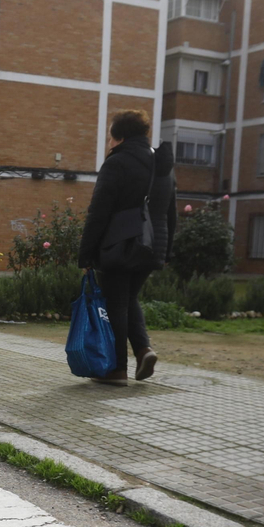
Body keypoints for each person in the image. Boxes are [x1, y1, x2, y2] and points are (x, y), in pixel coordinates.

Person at [78, 109, 177, 386]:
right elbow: (172, 211)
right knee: (127, 299)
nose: (109, 142)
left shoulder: (117, 163)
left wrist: (85, 254)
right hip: (153, 245)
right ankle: (144, 350)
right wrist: (166, 251)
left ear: (119, 137)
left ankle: (116, 370)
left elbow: (98, 212)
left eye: (110, 136)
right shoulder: (162, 164)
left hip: (120, 245)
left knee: (115, 305)